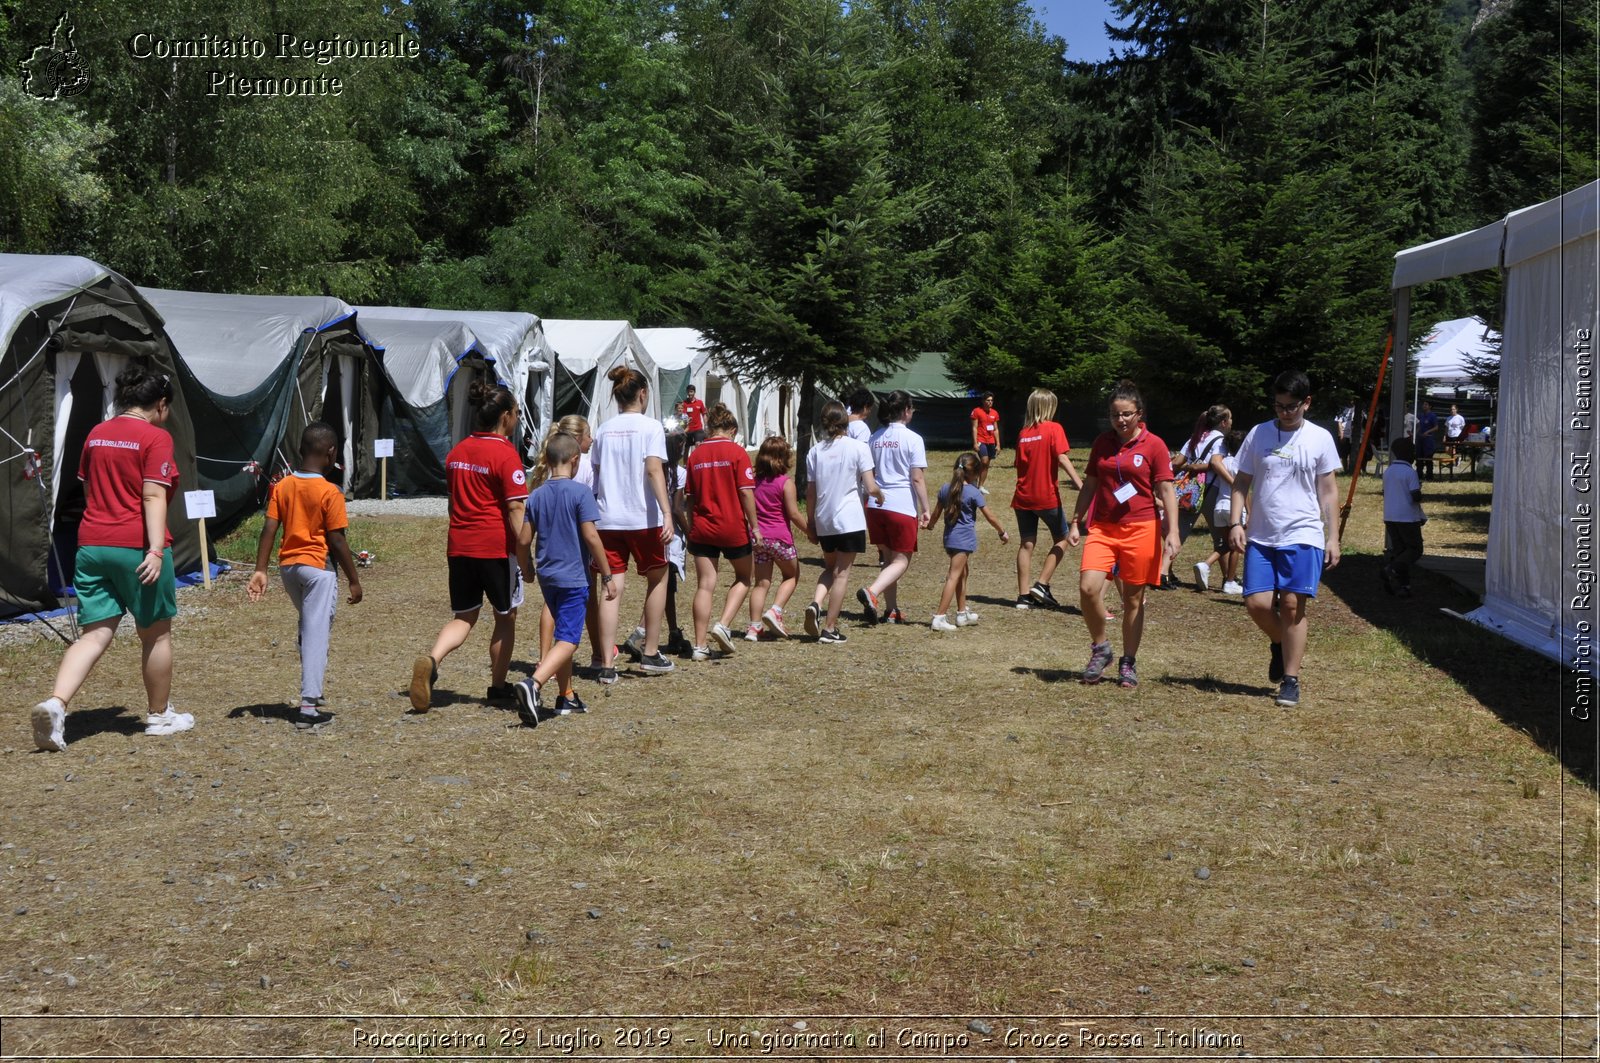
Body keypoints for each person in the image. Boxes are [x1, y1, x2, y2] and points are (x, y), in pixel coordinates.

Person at [31, 367, 191, 750]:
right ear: (161, 404)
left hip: (91, 545)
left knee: (95, 634)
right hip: (136, 548)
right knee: (155, 633)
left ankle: (56, 704)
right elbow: (153, 496)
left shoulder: (96, 434)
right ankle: (159, 715)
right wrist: (154, 549)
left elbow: (87, 490)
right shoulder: (156, 438)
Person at [409, 384, 532, 712]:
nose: (518, 419)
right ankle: (497, 687)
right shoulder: (507, 455)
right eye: (517, 413)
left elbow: (453, 504)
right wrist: (525, 552)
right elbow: (516, 510)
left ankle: (433, 660)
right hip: (495, 548)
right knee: (505, 617)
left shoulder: (457, 452)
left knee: (464, 616)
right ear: (505, 416)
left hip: (459, 545)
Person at [1226, 369, 1342, 708]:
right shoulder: (1259, 434)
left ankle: (1290, 679)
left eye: (1291, 406)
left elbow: (1329, 490)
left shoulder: (1319, 438)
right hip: (1262, 534)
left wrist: (1332, 537)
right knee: (1257, 604)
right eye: (1278, 406)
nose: (1284, 412)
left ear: (1306, 402)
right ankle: (1280, 642)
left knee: (1292, 605)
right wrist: (1236, 522)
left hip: (1304, 532)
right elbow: (1240, 481)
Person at [247, 422, 364, 728]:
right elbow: (337, 539)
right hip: (318, 570)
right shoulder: (330, 491)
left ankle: (311, 681)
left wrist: (261, 569)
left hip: (289, 569)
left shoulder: (283, 485)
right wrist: (354, 578)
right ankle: (308, 708)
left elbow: (269, 529)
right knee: (317, 633)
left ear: (300, 450)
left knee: (311, 624)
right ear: (331, 453)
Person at [1066, 380, 1180, 690]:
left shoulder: (1154, 445)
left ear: (1139, 414)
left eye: (1127, 414)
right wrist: (1076, 521)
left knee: (1133, 599)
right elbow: (1090, 483)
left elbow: (1167, 489)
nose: (1121, 420)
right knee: (1088, 588)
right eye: (1115, 415)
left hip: (1142, 528)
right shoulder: (1102, 443)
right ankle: (1101, 648)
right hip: (1103, 527)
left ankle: (1128, 661)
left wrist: (1173, 531)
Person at [513, 431, 618, 724]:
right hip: (573, 577)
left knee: (562, 636)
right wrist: (607, 575)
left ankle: (567, 695)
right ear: (575, 461)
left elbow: (522, 541)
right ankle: (533, 685)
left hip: (548, 576)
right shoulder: (581, 493)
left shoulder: (536, 495)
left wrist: (527, 568)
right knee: (570, 641)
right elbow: (591, 536)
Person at [591, 366, 676, 680]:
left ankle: (606, 662)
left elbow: (597, 475)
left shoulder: (603, 430)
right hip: (643, 518)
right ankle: (650, 653)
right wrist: (667, 513)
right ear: (643, 394)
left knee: (611, 588)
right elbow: (654, 471)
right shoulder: (651, 427)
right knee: (658, 579)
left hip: (607, 519)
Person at [684, 404, 762, 658]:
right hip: (732, 526)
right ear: (733, 429)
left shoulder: (694, 456)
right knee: (744, 577)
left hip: (702, 527)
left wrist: (690, 525)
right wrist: (755, 526)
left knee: (705, 585)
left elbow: (690, 498)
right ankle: (724, 624)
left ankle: (699, 645)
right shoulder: (738, 453)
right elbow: (745, 492)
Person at [804, 401, 883, 643]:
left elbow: (810, 491)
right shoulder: (859, 448)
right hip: (849, 519)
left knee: (830, 569)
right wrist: (880, 494)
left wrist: (810, 521)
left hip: (824, 518)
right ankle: (830, 628)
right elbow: (869, 487)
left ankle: (817, 603)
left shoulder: (815, 451)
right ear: (845, 421)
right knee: (842, 574)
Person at [859, 389, 930, 624]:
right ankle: (872, 592)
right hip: (901, 506)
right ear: (907, 411)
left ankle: (891, 610)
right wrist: (926, 508)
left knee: (889, 559)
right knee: (901, 561)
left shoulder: (875, 437)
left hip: (876, 505)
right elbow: (917, 478)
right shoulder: (914, 439)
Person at [1011, 388, 1084, 610]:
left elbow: (1019, 465)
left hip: (1022, 497)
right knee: (1063, 538)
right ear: (1049, 407)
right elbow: (1062, 457)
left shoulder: (1023, 433)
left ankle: (1023, 597)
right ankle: (1042, 584)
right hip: (1046, 497)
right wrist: (1081, 484)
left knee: (1027, 543)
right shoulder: (1054, 428)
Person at [622, 430, 690, 660]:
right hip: (671, 532)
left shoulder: (652, 469)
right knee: (662, 586)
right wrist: (690, 533)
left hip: (651, 526)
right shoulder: (679, 473)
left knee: (666, 586)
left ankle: (672, 631)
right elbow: (679, 508)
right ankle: (640, 633)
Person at [932, 452, 1009, 630]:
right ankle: (940, 617)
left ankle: (961, 613)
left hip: (949, 539)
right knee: (953, 576)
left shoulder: (946, 488)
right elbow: (990, 516)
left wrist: (928, 525)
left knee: (963, 574)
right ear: (975, 473)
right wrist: (1002, 532)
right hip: (963, 540)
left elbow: (936, 513)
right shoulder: (974, 492)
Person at [745, 436, 806, 640]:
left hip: (759, 539)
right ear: (784, 458)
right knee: (792, 575)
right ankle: (775, 610)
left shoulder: (753, 481)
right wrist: (811, 532)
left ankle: (753, 627)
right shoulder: (785, 483)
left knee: (761, 582)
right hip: (780, 539)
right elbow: (794, 514)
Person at [1165, 405, 1231, 589]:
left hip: (1190, 492)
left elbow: (1177, 461)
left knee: (1178, 532)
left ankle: (1163, 572)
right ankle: (1228, 579)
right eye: (1230, 419)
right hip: (1211, 490)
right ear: (1224, 422)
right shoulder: (1221, 441)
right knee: (1221, 537)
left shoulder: (1195, 438)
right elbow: (1216, 464)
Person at [1191, 429, 1245, 594]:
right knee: (1236, 545)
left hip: (1219, 507)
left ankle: (1207, 565)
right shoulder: (1243, 465)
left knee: (1227, 544)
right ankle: (1229, 581)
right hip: (1234, 508)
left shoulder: (1224, 462)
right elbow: (1244, 491)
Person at [1381, 437, 1425, 598]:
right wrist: (1420, 492)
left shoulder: (1389, 471)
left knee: (1401, 551)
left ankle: (1403, 586)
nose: (1414, 454)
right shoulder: (1410, 472)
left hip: (1390, 517)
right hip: (1407, 518)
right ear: (1407, 454)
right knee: (1414, 549)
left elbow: (1385, 493)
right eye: (1412, 451)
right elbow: (1415, 496)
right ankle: (1391, 569)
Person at [970, 392, 1002, 493]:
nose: (990, 402)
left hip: (991, 441)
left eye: (991, 400)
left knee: (986, 464)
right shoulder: (977, 411)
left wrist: (998, 444)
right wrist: (975, 442)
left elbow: (996, 429)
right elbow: (974, 427)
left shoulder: (995, 413)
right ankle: (973, 477)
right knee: (984, 461)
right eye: (988, 400)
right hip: (981, 440)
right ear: (983, 401)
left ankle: (980, 486)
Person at [1416, 400, 1440, 479]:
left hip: (1428, 440)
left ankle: (1429, 476)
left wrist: (1428, 431)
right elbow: (1419, 426)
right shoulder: (1421, 415)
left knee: (1428, 459)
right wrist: (1415, 433)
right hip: (1420, 440)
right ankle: (1419, 475)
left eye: (1426, 404)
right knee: (1419, 458)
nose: (1424, 406)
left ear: (1430, 406)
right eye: (1423, 404)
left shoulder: (1432, 416)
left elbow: (1436, 427)